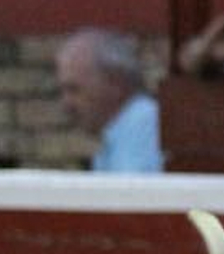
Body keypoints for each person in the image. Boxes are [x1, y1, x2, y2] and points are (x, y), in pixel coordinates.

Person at [56, 28, 162, 171]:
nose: (66, 104)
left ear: (115, 83)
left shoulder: (143, 127)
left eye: (74, 90)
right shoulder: (117, 134)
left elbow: (130, 192)